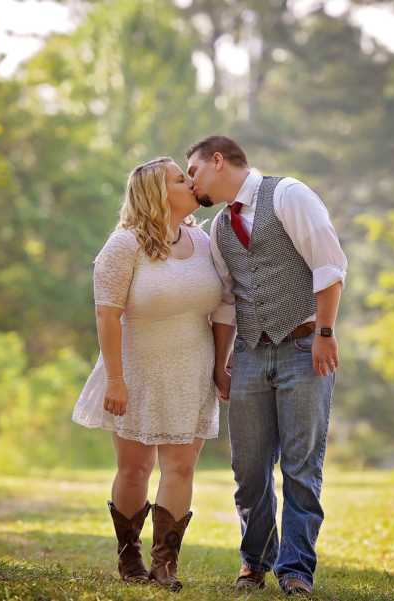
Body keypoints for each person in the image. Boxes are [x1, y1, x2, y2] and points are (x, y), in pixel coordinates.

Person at [186, 135, 347, 596]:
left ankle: (296, 568)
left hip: (304, 346)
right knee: (249, 468)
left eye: (193, 171)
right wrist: (222, 361)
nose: (192, 184)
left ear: (218, 161)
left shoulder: (289, 194)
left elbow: (330, 268)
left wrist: (324, 333)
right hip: (251, 354)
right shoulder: (219, 228)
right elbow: (226, 302)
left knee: (301, 466)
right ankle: (255, 559)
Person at [72, 156, 231, 592]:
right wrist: (117, 381)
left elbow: (221, 307)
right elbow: (107, 316)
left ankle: (166, 566)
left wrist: (220, 365)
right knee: (135, 468)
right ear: (158, 194)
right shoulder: (124, 245)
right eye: (181, 178)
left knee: (181, 466)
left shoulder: (203, 242)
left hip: (190, 370)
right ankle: (130, 559)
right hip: (136, 370)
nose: (191, 181)